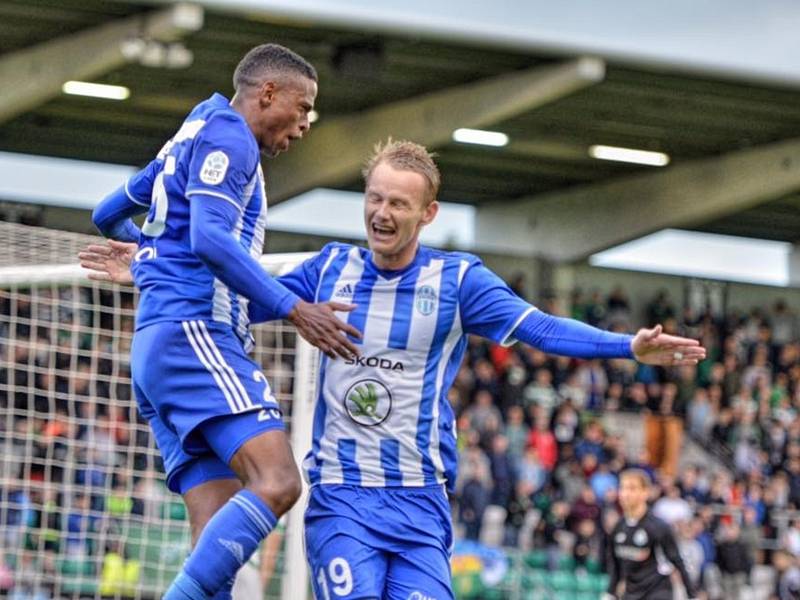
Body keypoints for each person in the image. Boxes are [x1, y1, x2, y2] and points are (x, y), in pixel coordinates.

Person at [81, 140, 706, 599]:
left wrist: (629, 347)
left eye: (398, 204)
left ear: (427, 214)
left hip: (422, 503)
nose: (381, 213)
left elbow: (541, 327)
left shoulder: (458, 283)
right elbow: (231, 299)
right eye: (374, 198)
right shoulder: (328, 268)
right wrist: (149, 270)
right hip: (344, 502)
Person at [86, 43, 362, 600]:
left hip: (159, 342)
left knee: (213, 544)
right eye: (303, 106)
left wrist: (149, 261)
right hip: (195, 336)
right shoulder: (230, 137)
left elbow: (107, 215)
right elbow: (209, 238)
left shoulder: (189, 135)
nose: (307, 123)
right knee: (280, 481)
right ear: (268, 93)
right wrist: (294, 309)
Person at [605, 469, 699, 600]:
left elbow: (677, 561)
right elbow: (615, 565)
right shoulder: (618, 527)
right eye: (622, 488)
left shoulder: (658, 527)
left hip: (657, 592)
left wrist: (692, 595)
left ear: (645, 492)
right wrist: (610, 593)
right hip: (632, 593)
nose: (625, 494)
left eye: (632, 488)